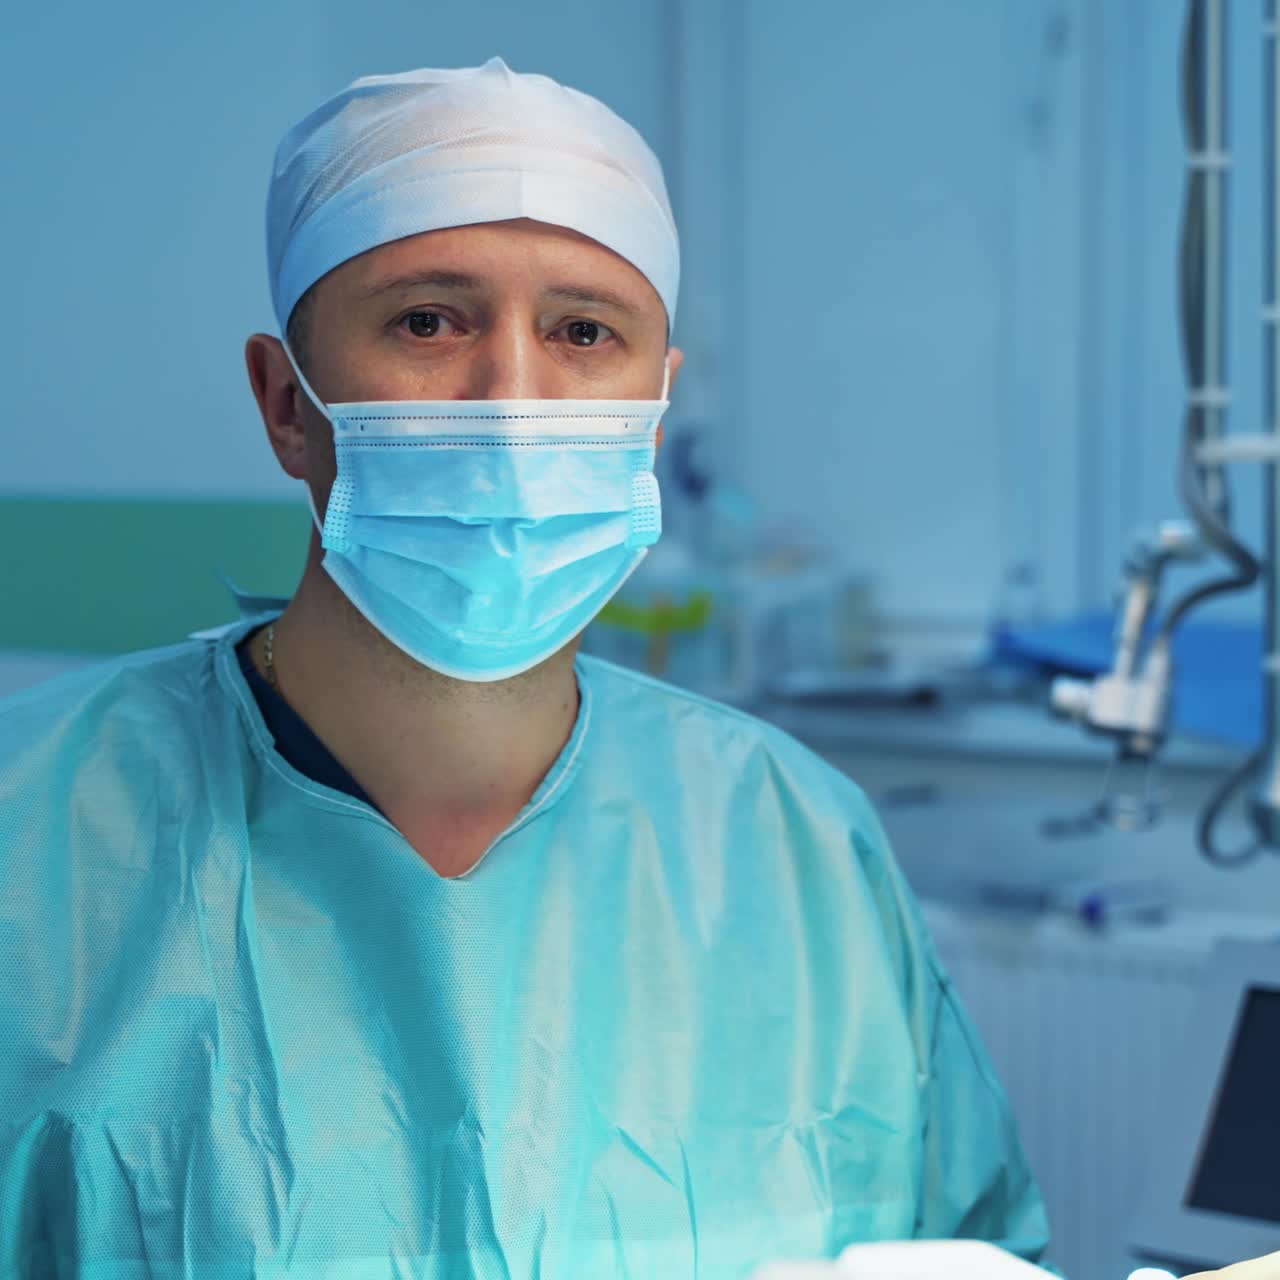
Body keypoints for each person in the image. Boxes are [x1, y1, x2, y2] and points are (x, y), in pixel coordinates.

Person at [0, 55, 1268, 1279]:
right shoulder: (38, 835)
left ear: (651, 412)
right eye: (426, 320)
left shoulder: (788, 841)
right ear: (287, 402)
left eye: (582, 330)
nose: (511, 395)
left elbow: (963, 1244)